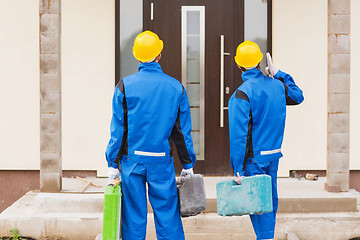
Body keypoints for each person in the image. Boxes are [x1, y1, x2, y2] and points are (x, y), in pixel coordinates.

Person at [105, 30, 196, 240]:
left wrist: (112, 164)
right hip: (161, 162)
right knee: (167, 216)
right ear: (159, 55)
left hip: (132, 162)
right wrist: (188, 164)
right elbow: (181, 131)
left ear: (137, 56)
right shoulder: (176, 87)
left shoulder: (124, 86)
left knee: (134, 217)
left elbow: (119, 129)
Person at [228, 41, 304, 240]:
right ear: (260, 61)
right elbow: (298, 95)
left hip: (255, 160)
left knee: (259, 207)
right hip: (273, 155)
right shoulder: (278, 86)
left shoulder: (242, 93)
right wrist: (278, 72)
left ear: (238, 65)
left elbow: (239, 136)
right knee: (269, 202)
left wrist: (238, 170)